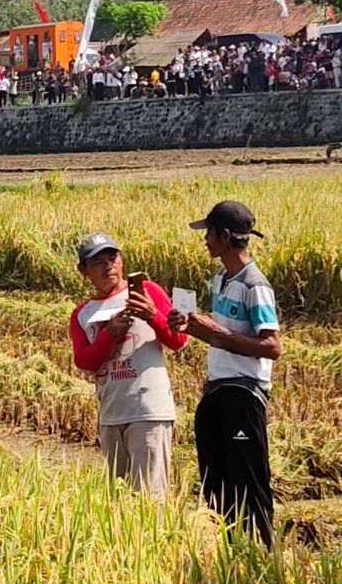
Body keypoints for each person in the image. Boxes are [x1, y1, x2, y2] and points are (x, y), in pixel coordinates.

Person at [168, 201, 281, 547]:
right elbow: (218, 330)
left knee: (248, 480)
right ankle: (230, 550)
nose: (205, 241)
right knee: (214, 481)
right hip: (216, 388)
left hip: (243, 392)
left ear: (226, 236)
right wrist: (189, 325)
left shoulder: (254, 285)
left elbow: (272, 346)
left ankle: (263, 555)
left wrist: (217, 336)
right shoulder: (221, 279)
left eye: (209, 234)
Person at [70, 234, 187, 496]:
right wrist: (109, 334)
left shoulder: (149, 292)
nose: (108, 266)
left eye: (112, 258)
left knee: (149, 499)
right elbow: (84, 361)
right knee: (119, 500)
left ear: (122, 260)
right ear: (83, 270)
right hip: (111, 413)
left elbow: (179, 340)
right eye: (97, 262)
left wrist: (152, 315)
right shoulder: (82, 314)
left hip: (148, 411)